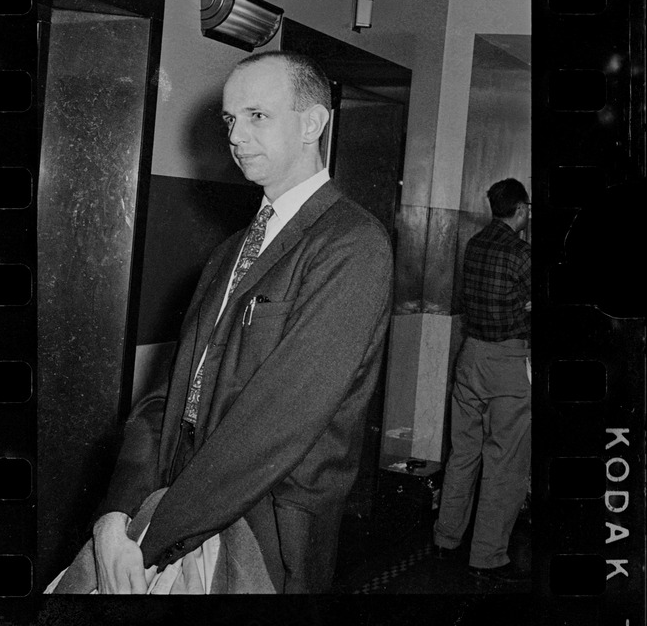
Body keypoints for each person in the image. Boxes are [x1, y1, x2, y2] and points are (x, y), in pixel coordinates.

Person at [48, 50, 394, 594]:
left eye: (258, 116)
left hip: (263, 528)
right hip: (174, 503)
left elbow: (278, 423)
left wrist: (151, 539)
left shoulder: (352, 244)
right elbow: (165, 400)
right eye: (231, 120)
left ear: (313, 122)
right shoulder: (232, 251)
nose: (236, 136)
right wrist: (114, 516)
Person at [432, 178, 531, 582]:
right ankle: (488, 557)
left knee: (463, 453)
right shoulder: (522, 254)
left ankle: (445, 539)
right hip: (507, 362)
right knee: (503, 461)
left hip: (470, 356)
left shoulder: (474, 245)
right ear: (521, 210)